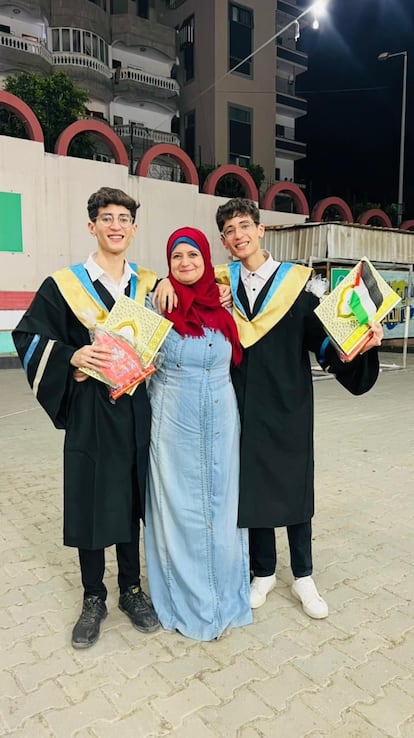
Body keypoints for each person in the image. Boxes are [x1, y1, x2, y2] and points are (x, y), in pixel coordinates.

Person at [214, 198, 382, 619]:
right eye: (230, 230)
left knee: (293, 484)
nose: (239, 235)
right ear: (224, 241)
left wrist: (362, 343)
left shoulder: (299, 286)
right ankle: (264, 571)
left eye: (244, 226)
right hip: (240, 404)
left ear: (261, 229)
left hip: (288, 402)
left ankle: (304, 574)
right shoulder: (219, 286)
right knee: (251, 486)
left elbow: (326, 343)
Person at [12, 186, 161, 648]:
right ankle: (93, 596)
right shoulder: (64, 285)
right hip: (92, 411)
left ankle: (131, 590)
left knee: (134, 499)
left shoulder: (151, 284)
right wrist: (72, 358)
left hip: (139, 408)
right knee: (94, 498)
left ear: (134, 229)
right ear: (91, 226)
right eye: (106, 217)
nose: (115, 225)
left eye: (123, 218)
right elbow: (29, 338)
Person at [144, 226, 252, 640]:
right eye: (176, 257)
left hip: (223, 418)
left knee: (222, 506)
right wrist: (157, 284)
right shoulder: (156, 305)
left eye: (193, 255)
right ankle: (184, 604)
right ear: (167, 264)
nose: (186, 263)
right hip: (173, 421)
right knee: (179, 511)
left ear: (207, 260)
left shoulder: (225, 303)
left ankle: (225, 599)